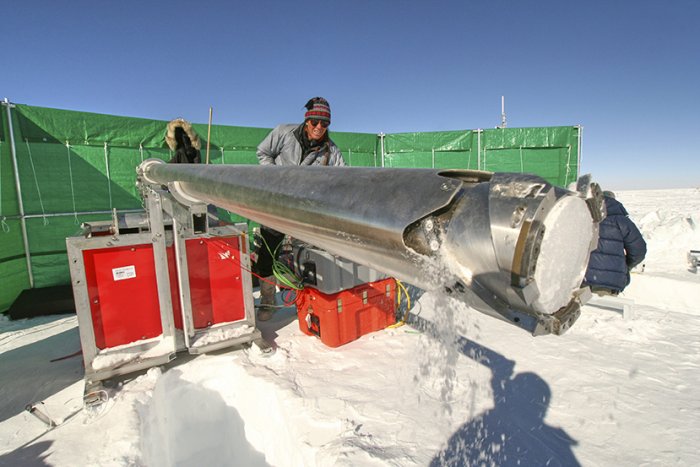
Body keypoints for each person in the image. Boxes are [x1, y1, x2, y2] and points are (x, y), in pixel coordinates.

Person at [254, 97, 346, 320]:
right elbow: (262, 153)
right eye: (315, 122)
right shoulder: (284, 133)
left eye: (324, 124)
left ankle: (307, 301)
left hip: (306, 213)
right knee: (267, 254)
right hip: (277, 206)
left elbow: (342, 180)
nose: (319, 128)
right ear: (307, 121)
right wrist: (278, 177)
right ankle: (267, 301)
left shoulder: (330, 152)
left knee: (307, 259)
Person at [584, 191, 646, 296]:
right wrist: (627, 265)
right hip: (610, 282)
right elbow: (639, 250)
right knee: (606, 310)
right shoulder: (622, 221)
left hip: (581, 280)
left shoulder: (585, 218)